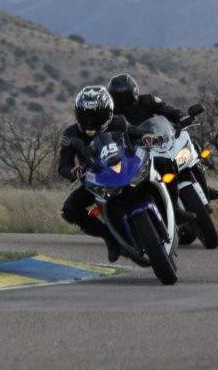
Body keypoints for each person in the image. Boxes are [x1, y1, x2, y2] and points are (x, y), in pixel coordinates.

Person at [58, 86, 151, 262]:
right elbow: (63, 165)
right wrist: (72, 171)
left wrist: (148, 136)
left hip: (126, 169)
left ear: (108, 112)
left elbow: (136, 133)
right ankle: (109, 237)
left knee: (160, 165)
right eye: (85, 116)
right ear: (77, 114)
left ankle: (177, 206)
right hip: (96, 179)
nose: (90, 122)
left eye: (97, 116)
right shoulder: (70, 135)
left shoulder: (118, 122)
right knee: (70, 210)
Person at [107, 73, 218, 200]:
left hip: (161, 137)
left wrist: (181, 117)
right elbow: (112, 136)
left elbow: (166, 110)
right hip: (139, 149)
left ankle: (203, 186)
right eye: (120, 97)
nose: (125, 100)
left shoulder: (147, 100)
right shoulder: (113, 116)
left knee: (191, 147)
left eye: (126, 96)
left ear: (133, 91)